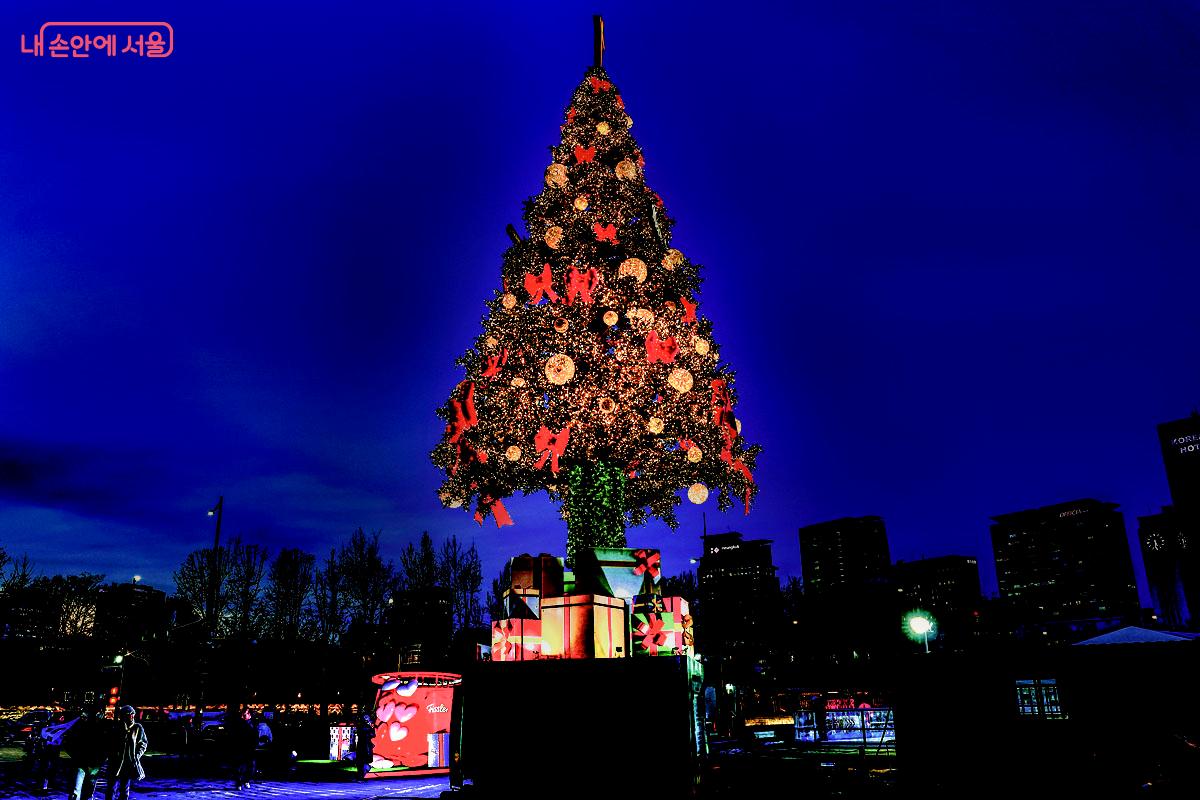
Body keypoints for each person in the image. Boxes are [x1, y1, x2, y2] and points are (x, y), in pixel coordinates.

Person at [105, 705, 147, 800]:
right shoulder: (116, 727)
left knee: (124, 790)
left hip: (128, 764)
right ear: (124, 715)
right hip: (115, 763)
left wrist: (136, 755)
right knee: (111, 789)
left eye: (133, 714)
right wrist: (111, 755)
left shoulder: (137, 727)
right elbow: (109, 743)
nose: (132, 716)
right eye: (129, 714)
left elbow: (143, 743)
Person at [63, 706, 105, 800]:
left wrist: (75, 756)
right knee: (86, 792)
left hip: (83, 763)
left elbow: (68, 743)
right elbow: (104, 748)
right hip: (91, 764)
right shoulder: (100, 728)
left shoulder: (79, 727)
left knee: (77, 791)